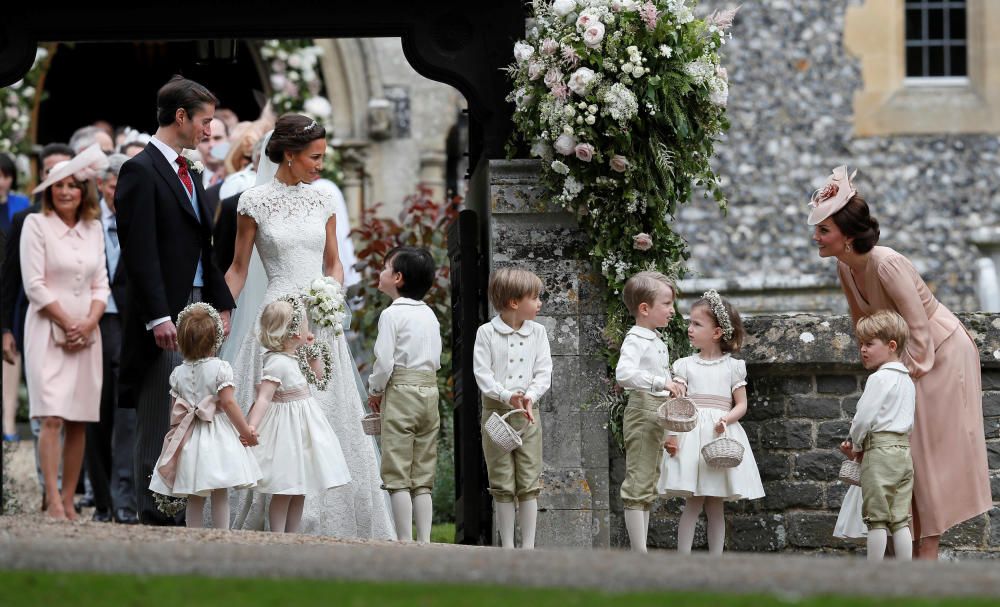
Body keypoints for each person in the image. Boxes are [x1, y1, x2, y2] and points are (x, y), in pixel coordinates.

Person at [224, 113, 394, 539]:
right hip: (276, 319)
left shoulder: (323, 201)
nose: (321, 165)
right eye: (314, 157)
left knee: (324, 408)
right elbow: (239, 268)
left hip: (318, 321)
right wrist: (219, 315)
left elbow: (335, 262)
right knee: (274, 406)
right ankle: (271, 507)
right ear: (288, 155)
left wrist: (330, 294)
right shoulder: (253, 203)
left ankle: (330, 514)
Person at [809, 165, 991, 560]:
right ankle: (897, 548)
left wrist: (898, 377)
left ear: (848, 235)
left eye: (824, 230)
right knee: (895, 448)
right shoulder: (845, 266)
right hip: (903, 359)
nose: (816, 237)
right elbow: (865, 325)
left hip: (940, 354)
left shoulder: (887, 263)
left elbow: (920, 331)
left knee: (924, 455)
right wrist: (882, 375)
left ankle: (923, 554)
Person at [115, 75, 236, 525]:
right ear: (181, 117)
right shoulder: (139, 170)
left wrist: (220, 301)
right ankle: (153, 512)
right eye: (205, 121)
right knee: (164, 409)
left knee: (201, 407)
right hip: (164, 310)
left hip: (200, 303)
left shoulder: (192, 171)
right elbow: (139, 250)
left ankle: (188, 511)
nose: (210, 130)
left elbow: (205, 247)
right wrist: (158, 316)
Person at [20, 143, 110, 519]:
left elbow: (101, 283)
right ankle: (52, 499)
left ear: (83, 189)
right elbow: (34, 284)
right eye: (59, 185)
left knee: (78, 418)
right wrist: (67, 321)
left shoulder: (93, 228)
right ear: (49, 190)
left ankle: (70, 498)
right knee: (52, 416)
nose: (66, 191)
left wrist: (88, 322)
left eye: (73, 185)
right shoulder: (35, 225)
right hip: (47, 329)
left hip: (88, 334)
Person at [658, 290, 764, 555]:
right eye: (689, 323)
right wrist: (671, 435)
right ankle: (684, 559)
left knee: (715, 503)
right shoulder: (684, 366)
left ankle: (716, 561)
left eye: (696, 324)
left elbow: (741, 404)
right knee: (693, 503)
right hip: (692, 437)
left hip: (719, 435)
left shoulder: (733, 367)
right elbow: (678, 407)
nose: (689, 329)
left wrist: (726, 418)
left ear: (716, 332)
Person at [148, 302, 260, 529]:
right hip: (217, 436)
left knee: (194, 492)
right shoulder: (220, 368)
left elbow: (175, 412)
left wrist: (173, 440)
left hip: (189, 437)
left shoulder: (177, 372)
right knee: (220, 490)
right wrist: (245, 430)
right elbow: (228, 403)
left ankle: (193, 536)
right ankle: (222, 535)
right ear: (215, 340)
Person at [245, 297, 351, 533]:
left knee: (300, 489)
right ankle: (278, 535)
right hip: (285, 432)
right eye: (304, 327)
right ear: (293, 334)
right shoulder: (276, 362)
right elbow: (264, 397)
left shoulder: (295, 357)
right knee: (285, 488)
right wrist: (250, 426)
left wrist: (312, 354)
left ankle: (293, 536)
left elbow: (320, 377)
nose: (308, 330)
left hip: (303, 429)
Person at [472, 267, 552, 549]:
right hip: (496, 413)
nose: (540, 302)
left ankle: (528, 548)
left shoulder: (538, 333)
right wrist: (507, 396)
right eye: (535, 297)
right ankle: (507, 546)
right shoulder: (486, 333)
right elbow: (482, 374)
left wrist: (530, 396)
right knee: (502, 481)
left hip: (529, 414)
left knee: (529, 480)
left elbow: (544, 371)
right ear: (514, 302)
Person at [367, 246, 442, 543]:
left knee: (397, 470)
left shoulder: (391, 315)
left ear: (397, 278)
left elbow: (384, 361)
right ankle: (424, 540)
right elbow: (435, 357)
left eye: (385, 268)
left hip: (401, 390)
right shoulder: (430, 315)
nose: (380, 272)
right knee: (422, 474)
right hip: (429, 390)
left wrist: (375, 389)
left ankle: (404, 540)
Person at [83, 153, 139, 524]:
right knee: (95, 410)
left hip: (131, 320)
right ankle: (101, 498)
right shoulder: (86, 224)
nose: (118, 192)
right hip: (94, 320)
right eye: (113, 185)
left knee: (127, 410)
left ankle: (125, 496)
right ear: (102, 185)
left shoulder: (139, 217)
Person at [616, 271, 686, 553]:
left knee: (648, 481)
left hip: (656, 411)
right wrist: (661, 382)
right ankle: (639, 553)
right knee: (638, 481)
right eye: (667, 304)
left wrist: (673, 382)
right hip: (643, 410)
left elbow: (658, 376)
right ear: (645, 309)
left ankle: (640, 550)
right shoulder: (636, 339)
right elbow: (624, 374)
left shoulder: (654, 339)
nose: (672, 310)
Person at [838, 310, 916, 562]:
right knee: (900, 519)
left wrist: (857, 444)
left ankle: (875, 574)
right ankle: (906, 575)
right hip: (903, 453)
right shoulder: (907, 380)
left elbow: (863, 418)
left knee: (877, 518)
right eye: (861, 344)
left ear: (892, 346)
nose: (863, 349)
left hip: (879, 452)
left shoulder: (880, 378)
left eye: (870, 344)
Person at [0, 152, 31, 442]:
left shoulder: (22, 206)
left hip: (13, 291)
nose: (1, 181)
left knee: (12, 354)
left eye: (6, 175)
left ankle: (9, 422)